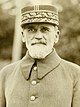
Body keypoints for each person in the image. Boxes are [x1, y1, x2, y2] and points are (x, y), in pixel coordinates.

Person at [0, 4, 80, 107]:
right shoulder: (6, 74)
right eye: (31, 30)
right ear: (23, 36)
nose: (38, 36)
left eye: (45, 30)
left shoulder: (75, 74)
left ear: (56, 36)